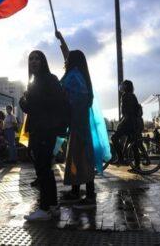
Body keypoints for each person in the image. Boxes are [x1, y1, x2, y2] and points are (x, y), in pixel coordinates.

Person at [19, 50, 65, 221]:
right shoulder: (34, 82)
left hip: (46, 130)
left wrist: (28, 100)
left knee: (43, 169)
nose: (34, 61)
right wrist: (25, 101)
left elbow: (55, 103)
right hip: (38, 129)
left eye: (37, 58)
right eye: (31, 58)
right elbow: (32, 108)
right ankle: (53, 205)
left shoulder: (50, 79)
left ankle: (44, 208)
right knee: (44, 168)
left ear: (43, 61)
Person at [58, 49, 97, 209]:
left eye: (67, 59)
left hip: (77, 124)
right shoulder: (82, 76)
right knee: (79, 158)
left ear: (72, 61)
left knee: (81, 159)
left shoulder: (74, 76)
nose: (65, 61)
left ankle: (89, 197)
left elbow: (71, 99)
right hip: (81, 124)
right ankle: (77, 192)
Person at [110, 80, 140, 168]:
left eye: (123, 85)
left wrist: (121, 123)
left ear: (126, 87)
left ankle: (120, 159)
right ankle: (137, 167)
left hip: (128, 123)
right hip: (133, 123)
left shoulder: (125, 96)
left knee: (114, 138)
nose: (121, 87)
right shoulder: (133, 95)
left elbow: (127, 112)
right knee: (134, 145)